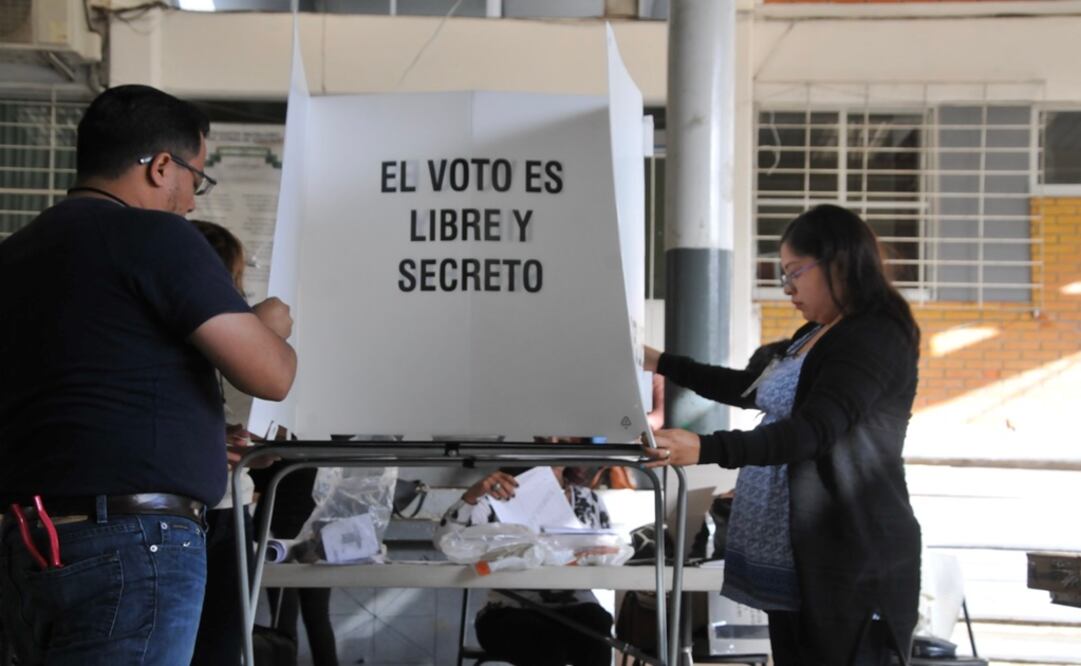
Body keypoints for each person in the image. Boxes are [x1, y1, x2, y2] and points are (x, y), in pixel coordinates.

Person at [0, 84, 297, 666]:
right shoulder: (156, 236)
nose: (191, 201)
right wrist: (268, 323)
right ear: (163, 166)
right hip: (134, 546)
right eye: (195, 178)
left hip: (29, 542)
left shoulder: (17, 253)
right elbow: (271, 375)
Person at [642, 204, 922, 666]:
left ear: (838, 262)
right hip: (798, 561)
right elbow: (748, 389)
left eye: (795, 273)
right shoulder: (816, 332)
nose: (788, 288)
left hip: (849, 555)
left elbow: (814, 432)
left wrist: (709, 448)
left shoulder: (873, 337)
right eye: (783, 275)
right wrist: (661, 362)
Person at [435, 464, 614, 666]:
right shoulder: (499, 494)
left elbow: (608, 553)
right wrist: (473, 495)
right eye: (547, 437)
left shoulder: (588, 500)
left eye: (562, 438)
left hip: (577, 608)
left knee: (596, 621)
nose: (553, 440)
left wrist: (603, 553)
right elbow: (445, 542)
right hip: (509, 609)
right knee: (541, 638)